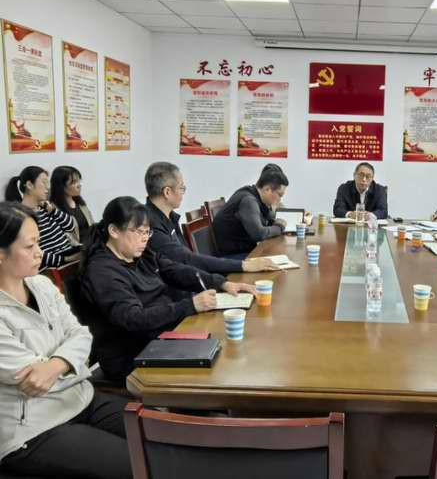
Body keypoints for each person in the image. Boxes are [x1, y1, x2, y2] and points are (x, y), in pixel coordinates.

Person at [0, 202, 132, 478]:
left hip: (80, 397)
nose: (40, 252)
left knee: (158, 436)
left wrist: (56, 364)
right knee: (134, 465)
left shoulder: (41, 285)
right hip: (33, 426)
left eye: (39, 242)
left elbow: (81, 334)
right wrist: (71, 362)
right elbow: (33, 380)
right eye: (30, 246)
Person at [81, 197, 253, 383]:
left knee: (230, 343)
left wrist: (220, 283)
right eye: (138, 232)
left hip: (163, 334)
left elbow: (175, 270)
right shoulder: (102, 271)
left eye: (147, 232)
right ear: (114, 231)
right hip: (134, 354)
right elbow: (134, 318)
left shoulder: (140, 255)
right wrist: (190, 305)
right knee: (221, 362)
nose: (144, 238)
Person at [144, 162, 278, 273]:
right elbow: (186, 259)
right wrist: (243, 266)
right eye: (181, 188)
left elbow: (187, 261)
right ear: (167, 192)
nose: (183, 193)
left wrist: (220, 283)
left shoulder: (170, 217)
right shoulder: (149, 225)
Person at [5, 166, 80, 271]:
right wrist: (66, 259)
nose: (48, 188)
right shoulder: (21, 216)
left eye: (48, 183)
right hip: (53, 268)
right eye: (44, 182)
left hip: (69, 257)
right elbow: (32, 252)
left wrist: (53, 210)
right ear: (29, 185)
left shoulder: (46, 208)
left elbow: (70, 226)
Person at [212, 168, 289, 258]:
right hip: (232, 256)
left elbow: (264, 222)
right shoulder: (248, 200)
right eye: (279, 195)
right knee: (278, 258)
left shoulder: (252, 195)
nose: (280, 199)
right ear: (267, 189)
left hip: (241, 250)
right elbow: (259, 234)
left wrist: (272, 214)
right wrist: (280, 227)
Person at [50, 165, 95, 245]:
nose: (79, 185)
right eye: (74, 182)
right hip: (77, 249)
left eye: (79, 181)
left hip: (92, 245)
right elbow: (65, 238)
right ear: (61, 186)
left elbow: (93, 226)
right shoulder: (54, 210)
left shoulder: (80, 204)